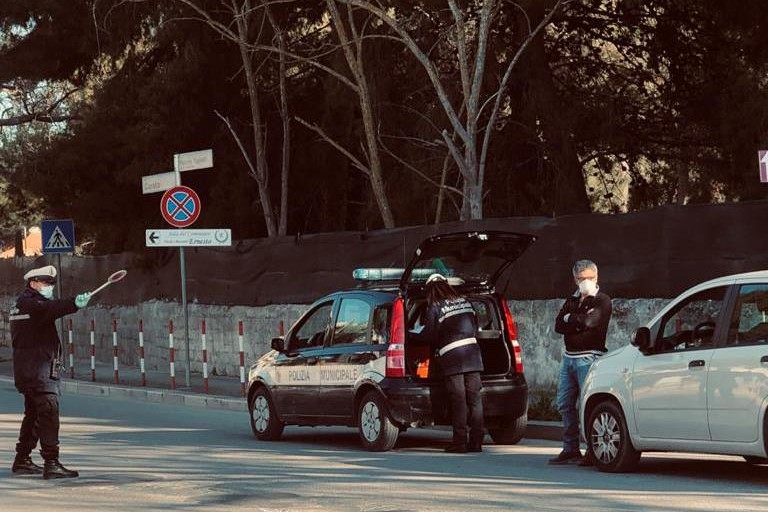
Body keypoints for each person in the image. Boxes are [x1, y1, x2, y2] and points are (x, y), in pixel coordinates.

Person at [10, 265, 91, 479]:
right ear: (34, 283)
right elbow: (51, 309)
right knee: (48, 415)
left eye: (51, 284)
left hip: (28, 370)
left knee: (34, 416)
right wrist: (74, 303)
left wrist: (70, 304)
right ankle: (51, 462)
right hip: (39, 371)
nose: (49, 288)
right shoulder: (32, 305)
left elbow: (50, 308)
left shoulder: (20, 304)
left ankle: (22, 460)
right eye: (46, 283)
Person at [549, 259, 612, 466]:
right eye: (581, 278)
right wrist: (574, 319)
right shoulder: (572, 300)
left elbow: (591, 322)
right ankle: (570, 448)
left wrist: (571, 319)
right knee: (564, 404)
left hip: (589, 358)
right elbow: (559, 325)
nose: (585, 282)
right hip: (569, 358)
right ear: (575, 279)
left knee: (587, 405)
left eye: (589, 278)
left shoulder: (602, 300)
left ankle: (591, 451)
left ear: (596, 277)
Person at [420, 273, 484, 453]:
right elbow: (476, 327)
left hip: (453, 357)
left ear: (431, 289)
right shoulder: (465, 302)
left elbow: (430, 334)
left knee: (459, 400)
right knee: (475, 399)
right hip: (473, 355)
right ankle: (477, 442)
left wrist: (412, 335)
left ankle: (460, 442)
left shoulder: (435, 306)